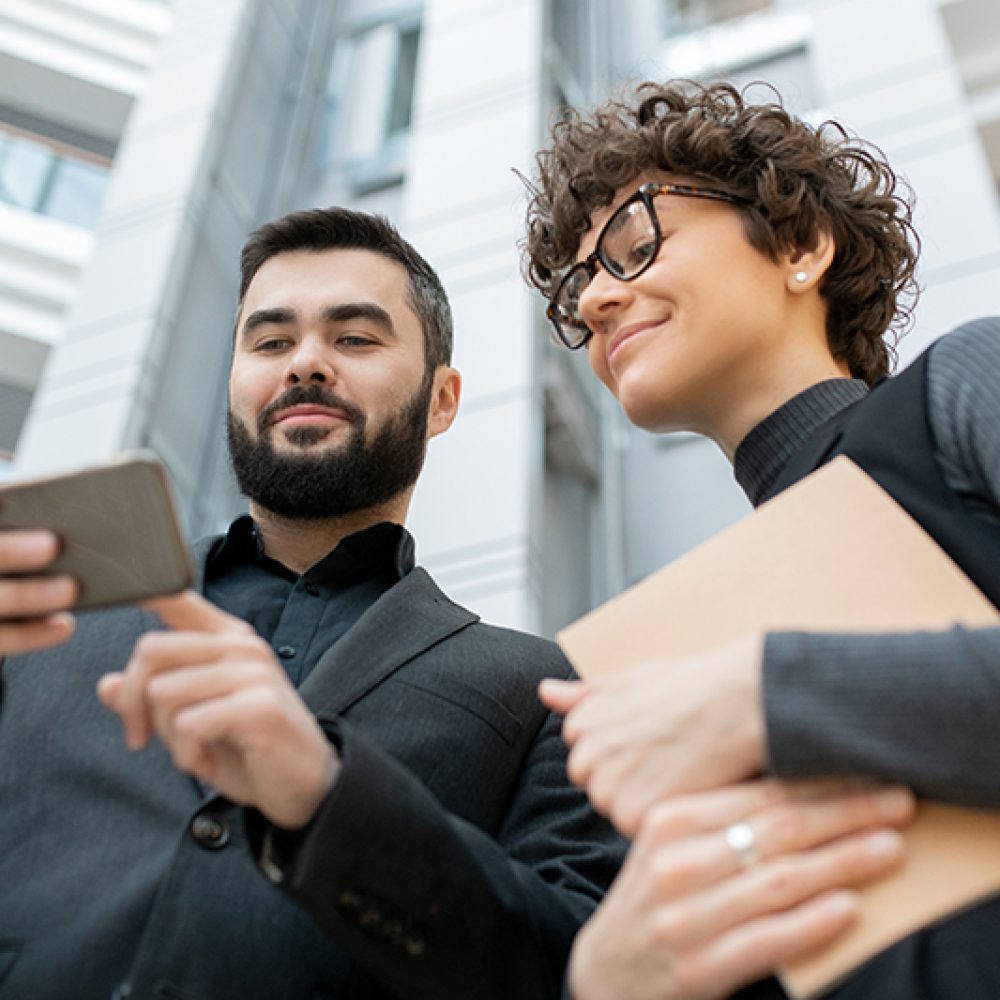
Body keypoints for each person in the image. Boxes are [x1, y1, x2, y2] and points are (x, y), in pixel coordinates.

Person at [0, 207, 912, 1000]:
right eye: (270, 341)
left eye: (355, 338)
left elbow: (578, 966)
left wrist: (327, 798)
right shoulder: (49, 620)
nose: (307, 363)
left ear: (442, 402)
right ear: (236, 385)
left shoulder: (544, 686)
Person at [522, 79, 1000, 998]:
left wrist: (762, 698)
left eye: (633, 243)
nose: (594, 305)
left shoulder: (963, 388)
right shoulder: (673, 650)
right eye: (579, 287)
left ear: (799, 244)